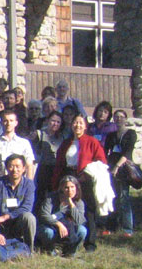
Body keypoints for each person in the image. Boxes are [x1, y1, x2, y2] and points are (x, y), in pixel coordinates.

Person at [51, 113, 106, 251]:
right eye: (75, 122)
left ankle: (90, 243)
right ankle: (68, 240)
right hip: (69, 176)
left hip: (85, 179)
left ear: (85, 126)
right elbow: (60, 163)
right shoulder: (66, 143)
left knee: (89, 210)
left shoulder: (92, 141)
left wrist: (86, 174)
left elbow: (101, 161)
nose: (78, 125)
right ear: (71, 125)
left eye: (81, 123)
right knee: (67, 208)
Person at [0, 154, 37, 251]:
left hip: (18, 223)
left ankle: (29, 250)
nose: (14, 170)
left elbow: (26, 208)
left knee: (30, 217)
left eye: (18, 166)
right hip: (2, 225)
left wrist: (6, 216)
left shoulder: (29, 184)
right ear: (6, 168)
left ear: (24, 168)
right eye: (11, 166)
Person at [38, 175, 87, 257]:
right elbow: (44, 215)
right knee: (48, 232)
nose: (70, 190)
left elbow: (80, 221)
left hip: (70, 230)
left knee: (82, 230)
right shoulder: (51, 198)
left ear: (76, 188)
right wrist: (58, 224)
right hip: (52, 227)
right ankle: (50, 250)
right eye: (66, 187)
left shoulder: (79, 202)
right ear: (61, 188)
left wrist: (71, 204)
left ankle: (71, 252)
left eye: (72, 187)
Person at [105, 109, 135, 237]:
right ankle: (111, 226)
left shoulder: (131, 133)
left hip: (123, 168)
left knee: (124, 198)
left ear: (126, 119)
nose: (118, 119)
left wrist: (117, 166)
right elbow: (106, 151)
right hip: (111, 167)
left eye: (121, 117)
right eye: (116, 117)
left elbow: (128, 152)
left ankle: (128, 229)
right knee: (112, 197)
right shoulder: (111, 135)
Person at [0, 110, 36, 179]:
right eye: (5, 121)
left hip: (19, 181)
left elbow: (29, 165)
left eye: (11, 121)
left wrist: (29, 184)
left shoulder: (24, 143)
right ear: (1, 123)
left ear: (16, 123)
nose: (8, 123)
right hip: (0, 180)